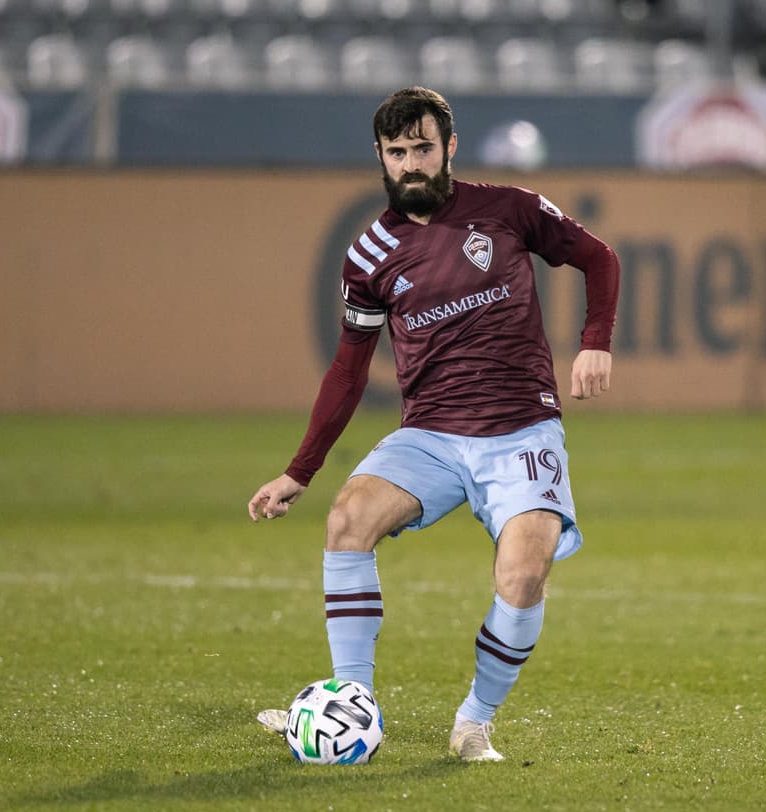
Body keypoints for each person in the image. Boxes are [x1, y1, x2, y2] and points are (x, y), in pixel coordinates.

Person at [247, 87, 619, 762]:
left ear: (449, 146)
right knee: (346, 520)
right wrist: (300, 469)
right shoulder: (368, 257)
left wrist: (596, 337)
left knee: (524, 576)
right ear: (381, 159)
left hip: (521, 433)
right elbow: (348, 370)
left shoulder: (510, 209)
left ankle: (474, 722)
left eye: (424, 147)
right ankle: (351, 704)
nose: (412, 163)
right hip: (433, 437)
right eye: (398, 152)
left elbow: (600, 257)